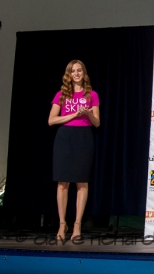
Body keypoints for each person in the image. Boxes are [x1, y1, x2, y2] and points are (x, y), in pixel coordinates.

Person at [48, 60, 100, 242]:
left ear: (83, 73)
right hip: (65, 138)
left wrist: (86, 114)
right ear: (68, 75)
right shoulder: (61, 95)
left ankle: (77, 224)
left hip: (84, 138)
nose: (76, 73)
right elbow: (51, 120)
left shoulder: (92, 95)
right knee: (62, 183)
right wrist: (73, 115)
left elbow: (97, 122)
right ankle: (62, 224)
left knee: (82, 182)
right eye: (73, 71)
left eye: (79, 70)